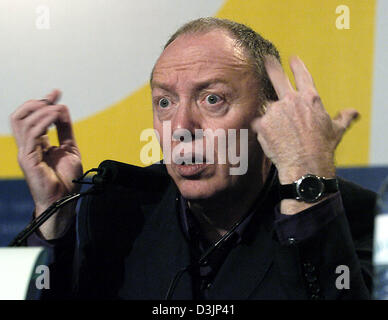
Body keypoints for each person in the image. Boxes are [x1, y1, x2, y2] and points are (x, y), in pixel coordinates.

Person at [10, 17, 376, 299]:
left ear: (273, 116)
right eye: (165, 103)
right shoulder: (115, 211)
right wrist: (54, 214)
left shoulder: (353, 216)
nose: (182, 126)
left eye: (212, 99)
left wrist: (307, 191)